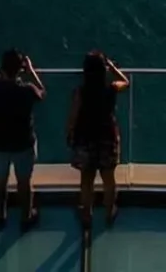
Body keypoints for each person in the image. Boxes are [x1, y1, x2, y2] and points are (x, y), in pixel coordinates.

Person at [0, 50, 46, 228]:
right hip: (23, 142)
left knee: (0, 179)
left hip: (0, 142)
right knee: (24, 181)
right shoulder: (27, 90)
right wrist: (32, 72)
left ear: (2, 68)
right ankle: (26, 216)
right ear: (21, 70)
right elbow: (42, 93)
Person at [66, 50, 129, 228]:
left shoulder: (80, 92)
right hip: (107, 135)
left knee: (87, 178)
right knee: (108, 177)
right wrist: (113, 68)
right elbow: (126, 82)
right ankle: (109, 212)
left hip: (85, 136)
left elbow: (73, 116)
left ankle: (86, 214)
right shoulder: (111, 89)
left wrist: (69, 133)